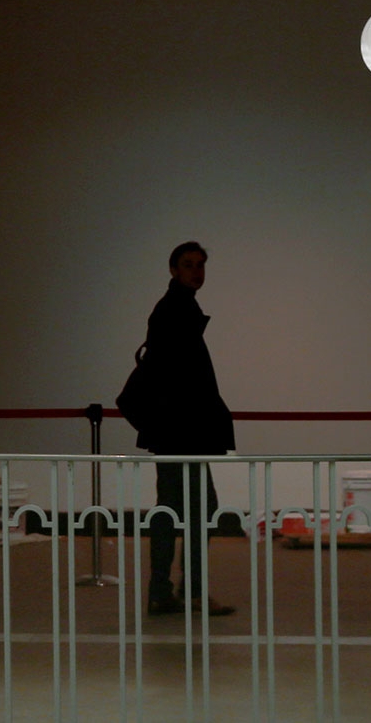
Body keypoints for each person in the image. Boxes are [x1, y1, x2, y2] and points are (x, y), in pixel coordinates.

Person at [133, 241, 236, 617]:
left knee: (177, 510)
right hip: (181, 432)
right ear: (174, 270)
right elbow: (180, 379)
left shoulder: (178, 306)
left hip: (175, 431)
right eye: (189, 265)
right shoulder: (175, 309)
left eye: (200, 265)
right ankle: (183, 592)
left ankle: (167, 591)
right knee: (195, 509)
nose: (197, 271)